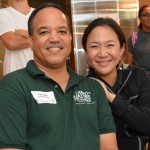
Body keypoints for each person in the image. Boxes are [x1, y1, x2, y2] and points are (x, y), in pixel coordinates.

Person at [0, 3, 118, 150]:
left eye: (62, 31)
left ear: (69, 37)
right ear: (30, 41)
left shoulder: (94, 89)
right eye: (44, 32)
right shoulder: (14, 86)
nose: (54, 38)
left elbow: (109, 147)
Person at [82, 17, 150, 150]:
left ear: (122, 49)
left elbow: (147, 123)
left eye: (110, 45)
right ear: (86, 51)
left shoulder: (138, 76)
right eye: (94, 46)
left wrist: (111, 97)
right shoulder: (82, 87)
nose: (102, 54)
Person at [0, 0, 34, 75]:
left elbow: (49, 39)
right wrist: (39, 35)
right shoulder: (2, 14)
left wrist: (20, 32)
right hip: (13, 76)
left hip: (39, 76)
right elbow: (12, 43)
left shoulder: (40, 14)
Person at [127, 4, 150, 75]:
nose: (149, 18)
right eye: (145, 15)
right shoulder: (133, 38)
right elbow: (129, 65)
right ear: (139, 18)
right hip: (140, 80)